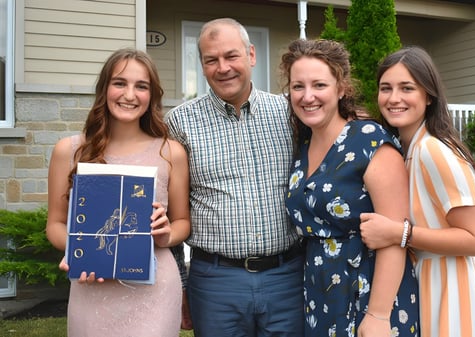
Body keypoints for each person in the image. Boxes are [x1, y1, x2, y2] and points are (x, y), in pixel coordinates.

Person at [165, 18, 304, 337]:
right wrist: (181, 287)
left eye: (232, 56)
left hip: (287, 277)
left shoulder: (290, 114)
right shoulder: (178, 123)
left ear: (251, 55)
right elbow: (173, 212)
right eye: (211, 60)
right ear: (201, 65)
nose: (223, 67)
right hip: (216, 282)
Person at [45, 48, 191, 336]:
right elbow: (55, 224)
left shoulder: (170, 151)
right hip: (92, 284)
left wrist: (168, 234)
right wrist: (77, 252)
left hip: (154, 290)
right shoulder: (69, 150)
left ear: (152, 95)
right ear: (104, 88)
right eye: (120, 83)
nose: (130, 95)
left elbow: (183, 221)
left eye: (142, 86)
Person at [280, 38, 420, 337]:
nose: (307, 97)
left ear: (341, 88)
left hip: (369, 291)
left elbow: (395, 235)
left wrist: (379, 316)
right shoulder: (304, 143)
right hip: (321, 294)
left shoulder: (368, 140)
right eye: (297, 87)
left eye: (319, 85)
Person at [360, 45, 475, 337]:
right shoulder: (406, 149)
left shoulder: (433, 150)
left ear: (428, 95)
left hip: (457, 285)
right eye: (385, 88)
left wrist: (400, 233)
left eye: (406, 88)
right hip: (430, 280)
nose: (394, 98)